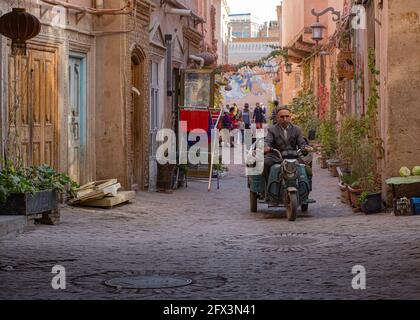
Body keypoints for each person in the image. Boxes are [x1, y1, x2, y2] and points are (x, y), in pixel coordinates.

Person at [263, 107, 312, 181]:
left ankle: (304, 187)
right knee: (265, 163)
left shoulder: (297, 129)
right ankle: (268, 185)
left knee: (305, 169)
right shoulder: (272, 129)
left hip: (293, 156)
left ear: (290, 117)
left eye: (287, 116)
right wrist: (266, 147)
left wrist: (305, 147)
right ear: (277, 118)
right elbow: (267, 141)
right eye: (282, 117)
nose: (285, 119)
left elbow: (301, 143)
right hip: (276, 156)